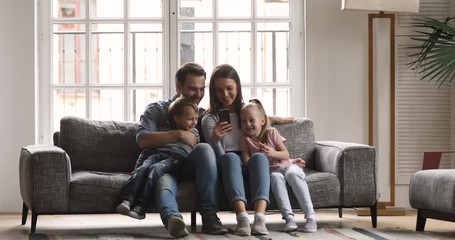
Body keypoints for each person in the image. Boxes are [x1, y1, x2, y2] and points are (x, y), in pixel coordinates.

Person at [136, 62, 228, 238]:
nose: (199, 95)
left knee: (204, 148)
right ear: (179, 86)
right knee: (163, 182)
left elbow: (246, 114)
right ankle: (173, 220)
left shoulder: (203, 115)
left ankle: (209, 217)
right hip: (165, 166)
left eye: (202, 89)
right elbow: (142, 140)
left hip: (189, 167)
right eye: (193, 89)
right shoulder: (157, 110)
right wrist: (178, 134)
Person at [201, 64, 271, 236]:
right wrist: (215, 140)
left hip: (250, 162)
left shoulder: (246, 113)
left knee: (260, 158)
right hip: (226, 164)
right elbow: (217, 159)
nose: (225, 95)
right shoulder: (210, 119)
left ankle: (260, 219)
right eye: (219, 90)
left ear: (237, 87)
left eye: (229, 88)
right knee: (231, 158)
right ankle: (242, 219)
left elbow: (265, 125)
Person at [239, 99, 317, 233]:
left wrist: (272, 152)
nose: (248, 124)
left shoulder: (271, 132)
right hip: (272, 172)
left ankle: (310, 217)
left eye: (252, 120)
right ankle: (288, 218)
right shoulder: (244, 140)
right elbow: (246, 163)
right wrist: (259, 157)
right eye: (244, 121)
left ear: (262, 121)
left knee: (292, 174)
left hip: (288, 166)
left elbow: (286, 155)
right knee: (275, 178)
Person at [116, 96, 199, 222]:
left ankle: (140, 206)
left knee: (155, 169)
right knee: (144, 167)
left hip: (175, 160)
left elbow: (195, 151)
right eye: (190, 119)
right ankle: (126, 199)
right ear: (176, 118)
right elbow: (148, 146)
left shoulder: (194, 134)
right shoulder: (164, 129)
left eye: (196, 118)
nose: (194, 122)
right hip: (158, 154)